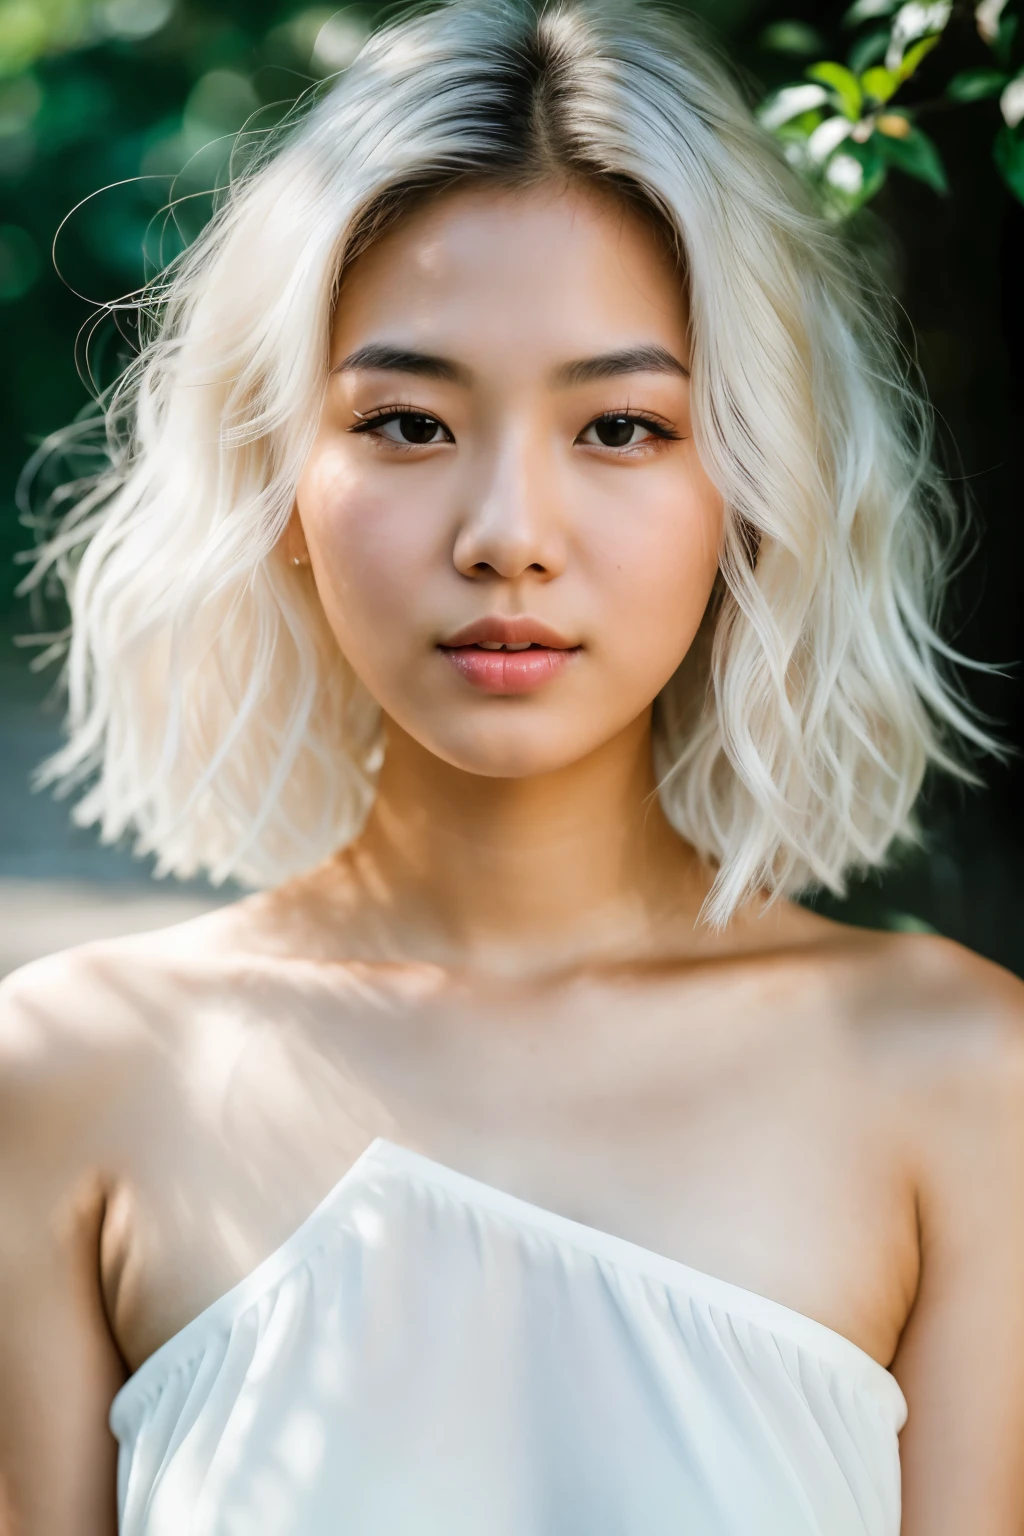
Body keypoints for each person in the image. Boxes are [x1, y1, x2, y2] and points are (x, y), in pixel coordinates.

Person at [2, 0, 1023, 1531]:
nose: (507, 536)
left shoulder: (963, 1079)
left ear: (750, 487)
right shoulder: (68, 1074)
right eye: (408, 423)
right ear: (282, 477)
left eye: (619, 427)